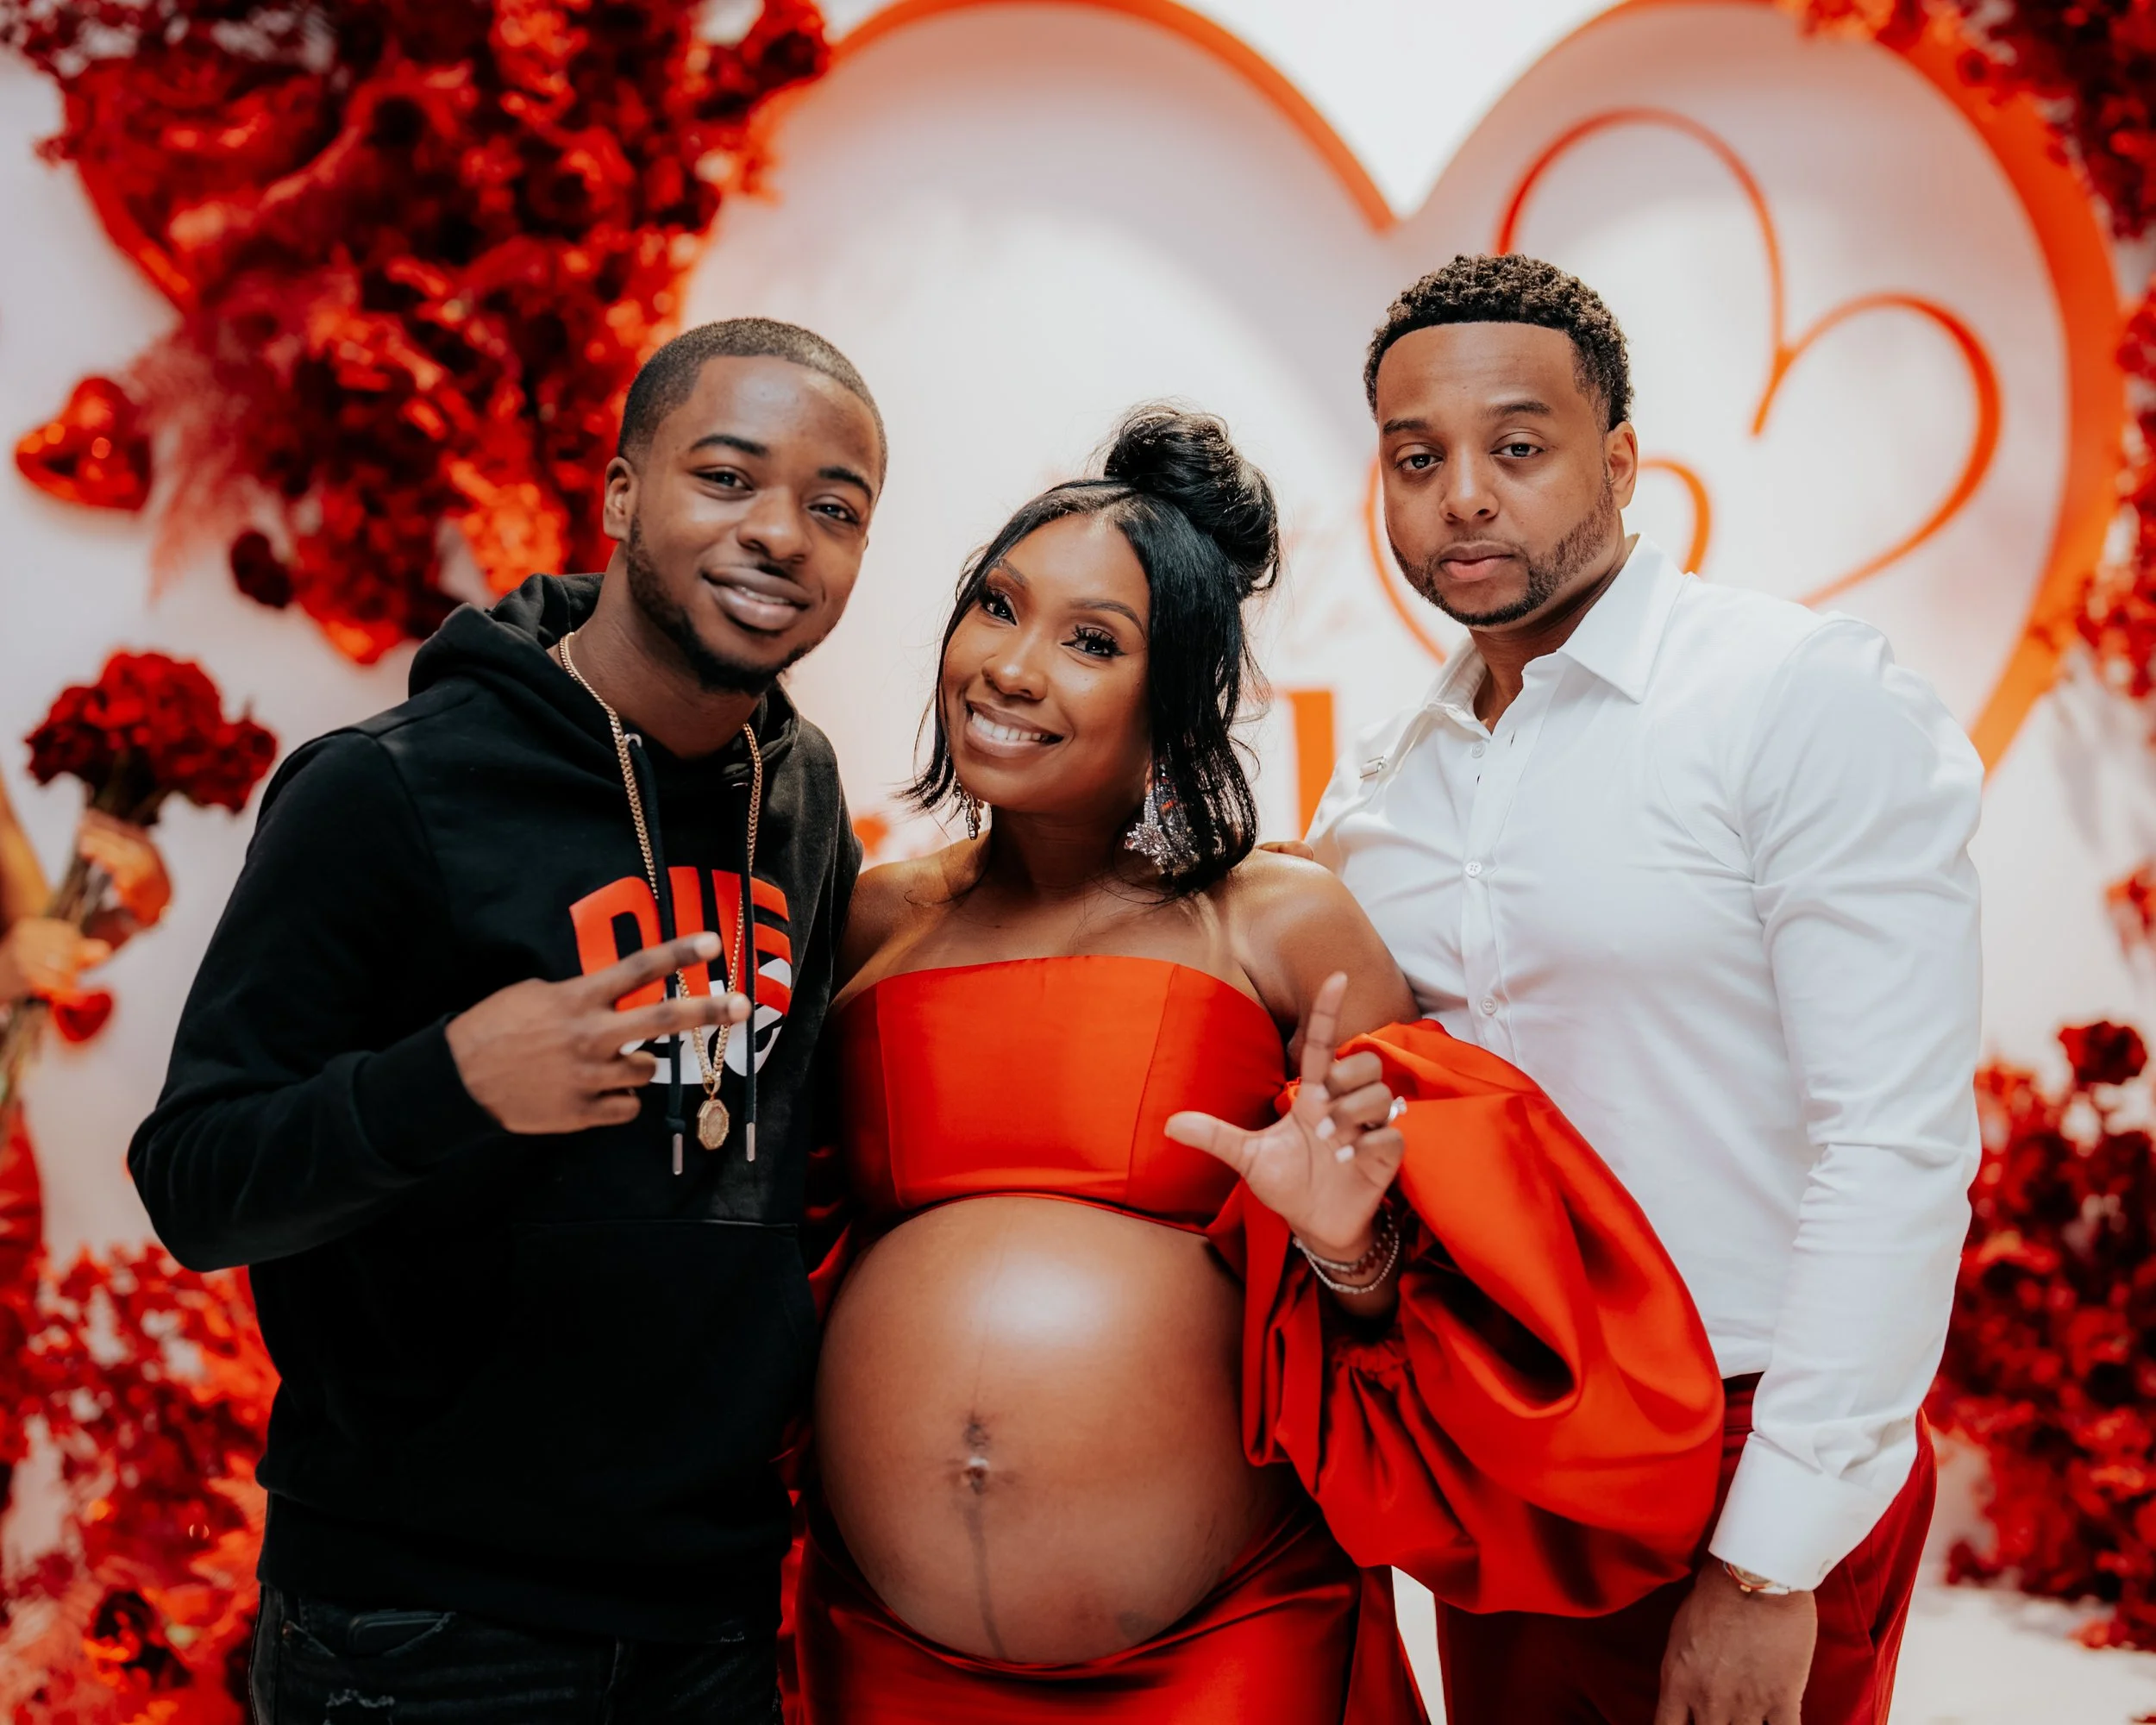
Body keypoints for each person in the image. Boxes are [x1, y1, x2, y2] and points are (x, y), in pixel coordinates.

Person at [785, 405, 1727, 1723]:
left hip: (1224, 1645)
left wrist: (1348, 1245)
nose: (1012, 666)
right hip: (883, 1647)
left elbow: (1420, 1320)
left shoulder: (1281, 924)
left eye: (1093, 642)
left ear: (1173, 701)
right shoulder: (877, 920)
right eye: (996, 607)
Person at [130, 317, 886, 1724]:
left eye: (834, 509)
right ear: (619, 496)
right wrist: (456, 1082)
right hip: (423, 1627)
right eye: (727, 479)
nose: (780, 533)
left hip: (708, 1615)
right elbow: (195, 1182)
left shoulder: (803, 796)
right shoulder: (384, 792)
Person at [1307, 254, 1984, 1725]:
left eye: (1520, 447)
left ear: (1620, 461)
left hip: (1756, 1435)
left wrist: (1770, 1566)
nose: (1464, 495)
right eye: (1416, 460)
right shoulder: (1387, 782)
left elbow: (1897, 1143)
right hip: (1515, 1433)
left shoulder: (1795, 695)